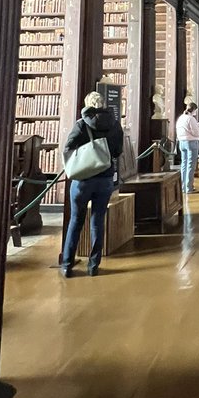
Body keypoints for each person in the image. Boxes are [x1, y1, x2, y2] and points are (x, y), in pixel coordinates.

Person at [60, 92, 124, 277]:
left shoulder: (81, 125)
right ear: (103, 104)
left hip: (83, 180)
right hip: (104, 178)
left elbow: (68, 149)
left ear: (87, 104)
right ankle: (93, 265)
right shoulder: (114, 124)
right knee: (97, 221)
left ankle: (67, 263)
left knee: (76, 220)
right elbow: (118, 151)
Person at [175, 101, 199, 195]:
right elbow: (196, 133)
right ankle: (189, 187)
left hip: (182, 142)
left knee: (184, 164)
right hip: (191, 142)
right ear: (194, 110)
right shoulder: (190, 118)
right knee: (191, 165)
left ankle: (183, 186)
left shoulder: (181, 118)